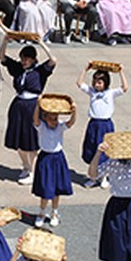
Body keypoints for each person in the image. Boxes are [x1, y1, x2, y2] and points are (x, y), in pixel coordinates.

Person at [0, 41, 57, 185]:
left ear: (33, 59)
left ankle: (32, 171)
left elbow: (53, 60)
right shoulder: (18, 69)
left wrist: (41, 43)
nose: (24, 61)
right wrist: (5, 41)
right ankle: (25, 166)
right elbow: (1, 57)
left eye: (27, 59)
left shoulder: (40, 71)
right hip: (18, 105)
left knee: (31, 141)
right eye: (22, 58)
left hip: (33, 106)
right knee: (18, 140)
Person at [77, 62, 128, 187]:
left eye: (99, 82)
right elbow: (79, 83)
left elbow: (124, 88)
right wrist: (85, 69)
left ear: (106, 82)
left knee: (105, 151)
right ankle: (93, 177)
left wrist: (121, 71)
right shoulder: (92, 92)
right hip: (94, 124)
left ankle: (104, 177)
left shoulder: (110, 93)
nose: (96, 84)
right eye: (95, 82)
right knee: (93, 149)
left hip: (105, 124)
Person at [32, 96, 76, 228]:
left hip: (58, 158)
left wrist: (74, 110)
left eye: (56, 119)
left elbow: (71, 123)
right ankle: (41, 212)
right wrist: (38, 105)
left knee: (56, 189)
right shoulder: (41, 127)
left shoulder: (60, 127)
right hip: (45, 158)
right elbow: (35, 119)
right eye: (51, 119)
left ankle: (55, 212)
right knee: (46, 188)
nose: (54, 122)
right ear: (45, 118)